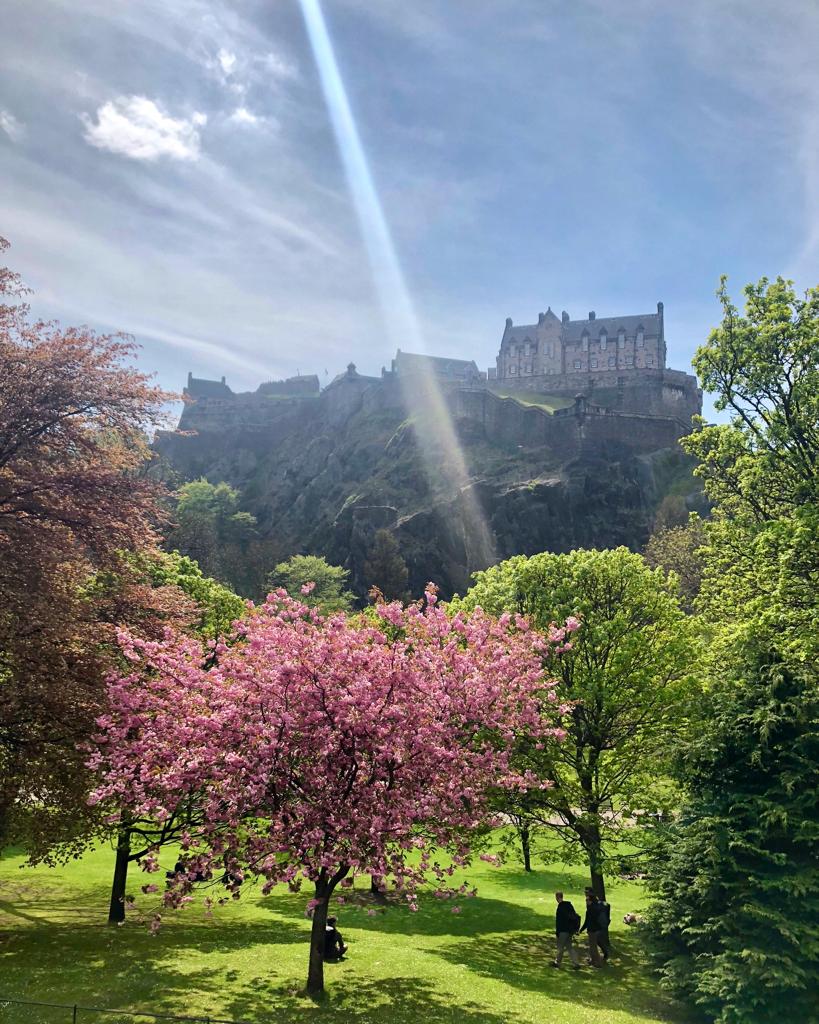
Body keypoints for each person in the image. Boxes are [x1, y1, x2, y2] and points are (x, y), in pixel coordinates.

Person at [552, 891, 581, 969]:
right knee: (569, 947)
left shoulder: (561, 907)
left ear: (557, 897)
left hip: (563, 930)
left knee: (560, 947)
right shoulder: (569, 905)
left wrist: (558, 932)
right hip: (570, 930)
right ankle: (576, 963)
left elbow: (559, 922)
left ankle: (557, 962)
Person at [585, 886, 611, 960]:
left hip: (597, 926)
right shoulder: (592, 901)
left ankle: (593, 958)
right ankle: (604, 953)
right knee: (597, 941)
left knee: (594, 942)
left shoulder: (592, 902)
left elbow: (591, 915)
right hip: (598, 925)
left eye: (586, 892)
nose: (585, 894)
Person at [579, 892, 604, 967]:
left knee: (593, 947)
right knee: (592, 946)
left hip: (592, 930)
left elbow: (587, 921)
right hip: (597, 929)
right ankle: (592, 960)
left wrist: (581, 930)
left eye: (587, 900)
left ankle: (598, 962)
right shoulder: (597, 908)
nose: (586, 902)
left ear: (591, 901)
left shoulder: (590, 910)